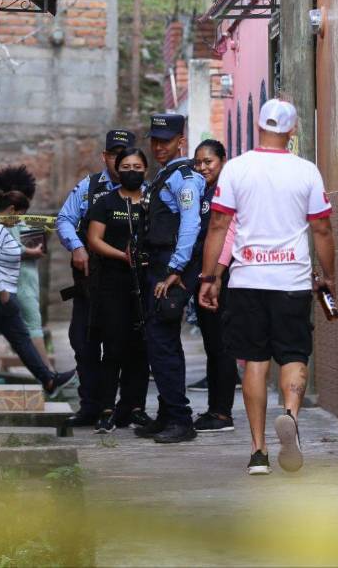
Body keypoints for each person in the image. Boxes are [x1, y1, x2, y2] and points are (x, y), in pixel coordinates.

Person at [199, 99, 336, 474]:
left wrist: (209, 277)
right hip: (291, 280)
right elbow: (322, 228)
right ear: (292, 131)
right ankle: (289, 415)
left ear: (258, 126)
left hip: (246, 281)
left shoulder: (236, 170)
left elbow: (217, 226)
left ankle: (258, 452)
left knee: (254, 363)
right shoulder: (306, 172)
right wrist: (329, 275)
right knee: (293, 356)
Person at [56, 130, 139, 427]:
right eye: (114, 154)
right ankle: (90, 406)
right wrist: (77, 247)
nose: (119, 160)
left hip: (129, 284)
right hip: (90, 283)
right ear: (105, 157)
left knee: (124, 347)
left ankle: (125, 408)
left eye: (125, 154)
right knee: (84, 343)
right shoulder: (89, 187)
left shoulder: (145, 190)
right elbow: (64, 218)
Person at [133, 114, 205, 444]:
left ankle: (180, 419)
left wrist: (175, 270)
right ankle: (166, 414)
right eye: (155, 140)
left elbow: (190, 226)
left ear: (181, 141)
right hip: (159, 266)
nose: (159, 146)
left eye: (167, 140)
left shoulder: (184, 179)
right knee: (159, 342)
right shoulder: (167, 175)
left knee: (163, 344)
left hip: (169, 269)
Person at [0, 184, 76, 395]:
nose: (20, 220)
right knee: (21, 338)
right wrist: (3, 293)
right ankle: (49, 380)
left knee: (19, 337)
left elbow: (8, 251)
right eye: (20, 215)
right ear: (11, 210)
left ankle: (49, 379)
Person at [86, 148, 152, 433]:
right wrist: (121, 255)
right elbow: (93, 239)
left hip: (146, 285)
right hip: (113, 283)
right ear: (117, 168)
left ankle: (135, 408)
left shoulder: (153, 201)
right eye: (126, 166)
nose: (132, 171)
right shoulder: (106, 201)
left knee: (141, 349)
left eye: (137, 166)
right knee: (112, 348)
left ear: (145, 169)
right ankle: (107, 409)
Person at [0, 166, 51, 384]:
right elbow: (7, 250)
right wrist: (33, 252)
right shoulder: (6, 217)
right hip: (16, 283)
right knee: (32, 327)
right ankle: (49, 379)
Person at [186, 140, 240, 433]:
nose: (203, 167)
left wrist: (215, 277)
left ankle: (222, 413)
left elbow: (227, 236)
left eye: (209, 161)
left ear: (222, 160)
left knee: (221, 346)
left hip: (221, 278)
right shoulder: (204, 192)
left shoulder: (228, 191)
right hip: (205, 277)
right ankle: (214, 410)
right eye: (199, 163)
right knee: (212, 345)